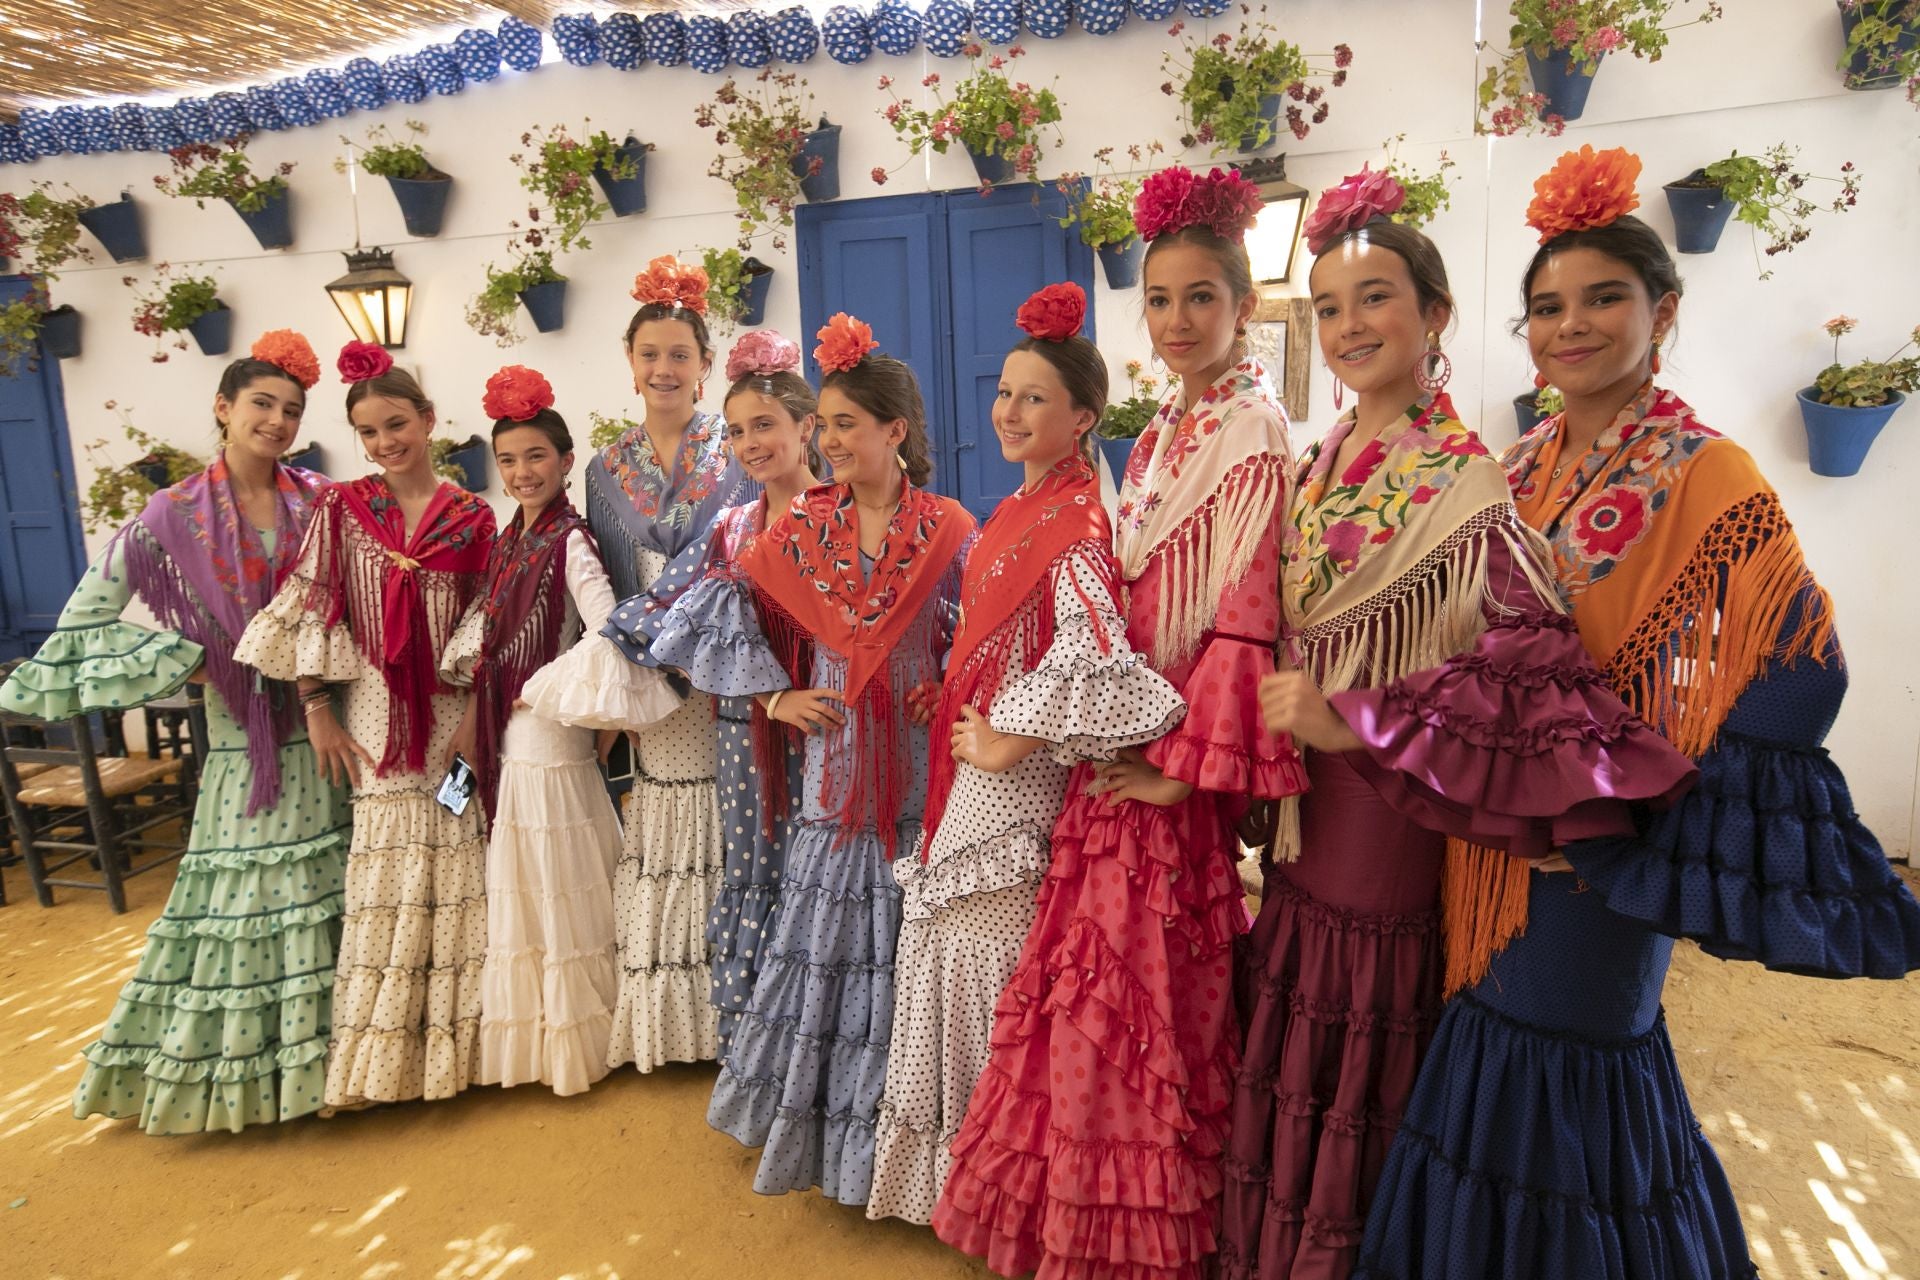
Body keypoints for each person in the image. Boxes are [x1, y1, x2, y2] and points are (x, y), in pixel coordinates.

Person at [1352, 145, 1920, 1279]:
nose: (1572, 326)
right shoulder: (1520, 464)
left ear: (1663, 308)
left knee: (1579, 1070)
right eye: (1548, 307)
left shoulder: (1711, 469)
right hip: (1494, 849)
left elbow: (1806, 664)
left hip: (1600, 863)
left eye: (1603, 297)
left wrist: (1657, 823)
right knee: (1493, 1059)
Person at [1220, 166, 1696, 1280]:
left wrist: (1358, 720)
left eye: (1377, 296)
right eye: (1329, 306)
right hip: (1303, 823)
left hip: (1387, 819)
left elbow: (1536, 670)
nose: (1349, 326)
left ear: (1435, 315)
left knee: (1360, 1020)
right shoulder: (1319, 460)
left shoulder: (1470, 483)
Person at [933, 166, 1308, 1280]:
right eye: (1159, 299)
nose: (1178, 320)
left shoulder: (1253, 429)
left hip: (1169, 760)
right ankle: (1071, 1212)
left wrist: (1189, 774)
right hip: (1118, 749)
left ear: (1243, 306)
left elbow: (1245, 617)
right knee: (1086, 984)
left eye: (1201, 297)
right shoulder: (1152, 442)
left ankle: (1131, 1236)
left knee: (1135, 987)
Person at [867, 283, 1184, 1226]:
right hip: (983, 757)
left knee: (976, 959)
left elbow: (1096, 656)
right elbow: (1021, 633)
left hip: (1015, 784)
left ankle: (988, 1182)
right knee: (953, 952)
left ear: (1084, 417)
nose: (1008, 410)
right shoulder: (1028, 502)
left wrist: (1009, 735)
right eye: (1005, 392)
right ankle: (972, 1180)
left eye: (1034, 397)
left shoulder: (1077, 522)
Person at [2, 331, 348, 1136]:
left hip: (330, 730)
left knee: (336, 898)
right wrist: (198, 663)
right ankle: (245, 1081)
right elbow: (83, 618)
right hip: (243, 746)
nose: (277, 421)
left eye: (292, 410)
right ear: (224, 408)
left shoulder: (318, 499)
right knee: (252, 907)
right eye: (262, 404)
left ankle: (345, 1067)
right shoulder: (173, 512)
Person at [705, 313, 975, 1205]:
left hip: (911, 771)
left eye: (845, 424)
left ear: (895, 431)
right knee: (820, 952)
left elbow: (976, 632)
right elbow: (718, 620)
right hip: (832, 775)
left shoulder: (947, 527)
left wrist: (949, 684)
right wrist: (775, 696)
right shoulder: (797, 530)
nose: (827, 441)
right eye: (821, 425)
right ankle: (822, 1149)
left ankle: (905, 1155)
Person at [235, 341, 495, 1109]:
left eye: (397, 424)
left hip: (452, 723)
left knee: (456, 860)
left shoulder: (474, 518)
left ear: (427, 420)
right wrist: (317, 708)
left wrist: (474, 727)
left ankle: (460, 1060)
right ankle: (378, 1069)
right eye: (370, 432)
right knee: (386, 869)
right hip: (376, 721)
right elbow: (311, 604)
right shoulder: (342, 511)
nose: (386, 442)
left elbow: (492, 626)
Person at [443, 366, 672, 1097]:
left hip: (547, 734)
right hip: (514, 741)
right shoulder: (511, 542)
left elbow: (607, 623)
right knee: (533, 883)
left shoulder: (568, 540)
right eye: (507, 460)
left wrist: (549, 690)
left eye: (535, 456)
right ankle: (549, 1035)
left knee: (561, 876)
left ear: (566, 461)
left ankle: (584, 1038)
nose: (520, 472)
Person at [604, 329, 819, 1052]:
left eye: (764, 425)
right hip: (744, 736)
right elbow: (666, 616)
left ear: (805, 427)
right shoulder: (730, 527)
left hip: (831, 730)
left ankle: (822, 1049)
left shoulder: (846, 514)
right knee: (755, 864)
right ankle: (763, 1057)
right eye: (736, 430)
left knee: (821, 875)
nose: (750, 443)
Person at [583, 256, 756, 1073]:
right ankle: (674, 1025)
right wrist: (628, 669)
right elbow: (613, 578)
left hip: (730, 661)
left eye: (680, 354)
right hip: (651, 663)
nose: (664, 369)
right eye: (650, 354)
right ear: (630, 361)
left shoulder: (741, 448)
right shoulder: (604, 470)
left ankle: (740, 1016)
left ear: (705, 365)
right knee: (668, 814)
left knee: (736, 817)